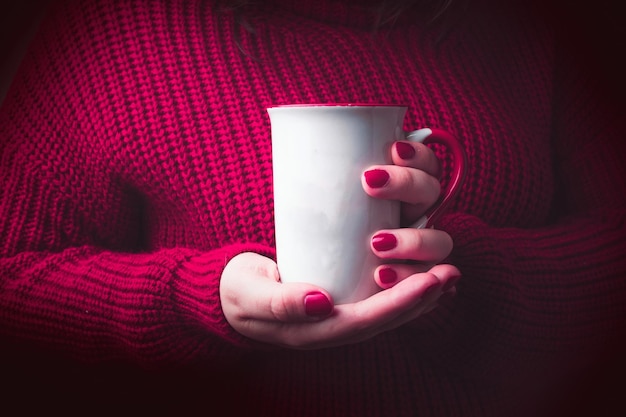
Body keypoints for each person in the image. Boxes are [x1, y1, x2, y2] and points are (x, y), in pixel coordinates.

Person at [1, 0, 625, 415]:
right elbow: (12, 281)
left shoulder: (529, 25)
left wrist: (453, 277)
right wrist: (196, 302)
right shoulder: (115, 28)